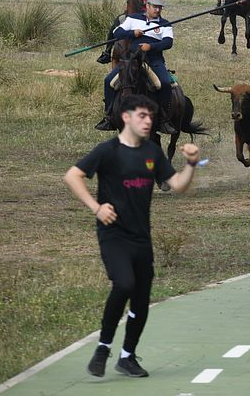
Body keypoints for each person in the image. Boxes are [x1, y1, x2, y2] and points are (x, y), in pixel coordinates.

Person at [65, 94, 200, 379]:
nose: (148, 121)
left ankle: (127, 356)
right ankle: (103, 348)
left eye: (151, 117)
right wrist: (96, 207)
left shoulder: (152, 153)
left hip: (142, 237)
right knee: (124, 283)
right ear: (125, 117)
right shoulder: (107, 151)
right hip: (113, 235)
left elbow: (177, 185)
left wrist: (189, 165)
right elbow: (73, 176)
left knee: (141, 298)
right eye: (142, 116)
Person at [96, 0, 177, 135]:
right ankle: (108, 117)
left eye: (160, 8)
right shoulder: (133, 19)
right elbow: (117, 32)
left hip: (153, 60)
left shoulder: (165, 23)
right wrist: (132, 33)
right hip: (132, 59)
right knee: (108, 80)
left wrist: (150, 47)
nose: (158, 10)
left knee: (164, 83)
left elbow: (168, 43)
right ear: (147, 6)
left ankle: (164, 120)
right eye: (155, 7)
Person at [96, 0, 156, 64]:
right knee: (116, 23)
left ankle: (157, 57)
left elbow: (153, 1)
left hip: (145, 13)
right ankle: (107, 52)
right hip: (131, 12)